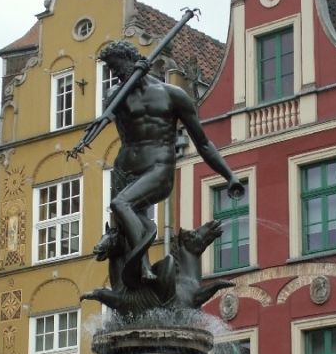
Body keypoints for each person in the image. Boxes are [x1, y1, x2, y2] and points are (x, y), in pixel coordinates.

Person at [97, 41, 243, 286]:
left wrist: (229, 176)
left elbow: (203, 143)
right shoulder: (115, 95)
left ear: (130, 59)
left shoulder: (173, 94)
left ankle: (142, 264)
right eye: (110, 68)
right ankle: (132, 288)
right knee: (122, 233)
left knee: (121, 204)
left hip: (158, 168)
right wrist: (130, 84)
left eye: (116, 66)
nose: (114, 73)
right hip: (124, 169)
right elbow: (108, 112)